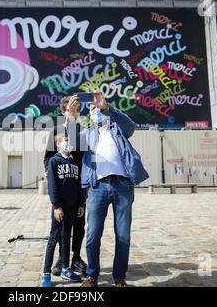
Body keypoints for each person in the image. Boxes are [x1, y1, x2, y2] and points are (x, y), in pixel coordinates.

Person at [80, 91, 149, 287]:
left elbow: (131, 125)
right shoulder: (87, 133)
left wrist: (107, 108)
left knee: (123, 234)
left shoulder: (118, 127)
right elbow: (69, 142)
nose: (96, 109)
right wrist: (70, 115)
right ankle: (92, 275)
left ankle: (119, 277)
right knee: (93, 234)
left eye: (98, 106)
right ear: (89, 113)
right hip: (98, 186)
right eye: (92, 107)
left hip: (122, 185)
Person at [43, 95, 87, 276]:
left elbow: (84, 159)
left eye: (77, 108)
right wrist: (50, 172)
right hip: (62, 186)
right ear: (63, 111)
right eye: (71, 108)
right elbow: (47, 158)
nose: (74, 111)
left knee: (79, 223)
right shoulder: (55, 131)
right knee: (62, 225)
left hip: (78, 185)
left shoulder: (81, 131)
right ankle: (62, 259)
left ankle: (75, 257)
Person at [42, 133, 85, 287]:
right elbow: (52, 186)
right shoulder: (54, 161)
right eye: (64, 141)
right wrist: (56, 206)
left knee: (67, 238)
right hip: (60, 208)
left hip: (73, 207)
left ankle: (66, 269)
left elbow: (79, 185)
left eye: (69, 140)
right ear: (58, 144)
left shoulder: (75, 162)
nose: (67, 143)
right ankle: (46, 273)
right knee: (54, 239)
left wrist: (81, 204)